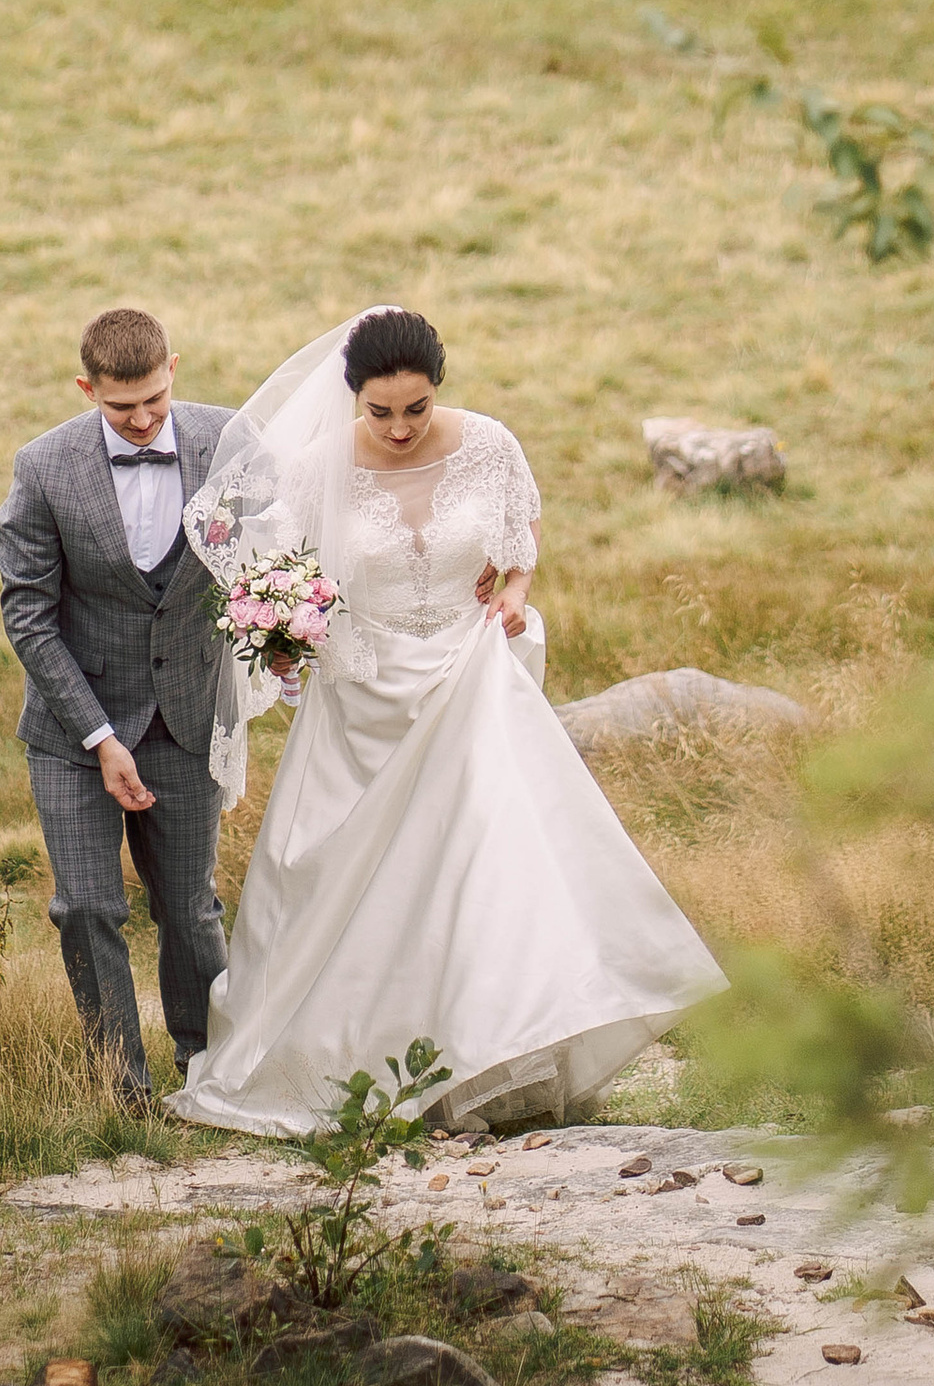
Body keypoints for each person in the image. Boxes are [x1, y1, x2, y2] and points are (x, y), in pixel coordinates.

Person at [169, 304, 723, 1136]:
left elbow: (520, 530)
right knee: (362, 883)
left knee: (487, 868)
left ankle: (496, 1057)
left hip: (469, 678)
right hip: (363, 698)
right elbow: (278, 572)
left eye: (416, 408)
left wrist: (514, 591)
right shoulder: (317, 468)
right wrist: (284, 634)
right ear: (354, 397)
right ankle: (353, 1060)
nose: (399, 428)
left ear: (438, 387)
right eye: (380, 412)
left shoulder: (490, 445)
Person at [0, 302, 233, 1107]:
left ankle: (207, 1073)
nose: (141, 420)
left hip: (187, 719)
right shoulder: (43, 467)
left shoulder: (229, 444)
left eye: (154, 400)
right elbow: (28, 615)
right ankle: (121, 1090)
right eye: (121, 405)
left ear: (174, 371)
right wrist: (98, 736)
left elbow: (280, 554)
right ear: (86, 388)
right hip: (74, 728)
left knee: (189, 909)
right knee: (87, 909)